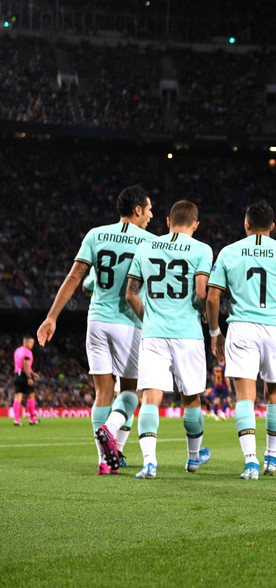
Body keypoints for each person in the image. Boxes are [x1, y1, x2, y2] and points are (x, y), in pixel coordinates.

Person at [37, 185, 154, 474]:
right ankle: (116, 442)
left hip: (97, 321)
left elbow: (77, 275)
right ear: (137, 210)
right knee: (130, 392)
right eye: (149, 209)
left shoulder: (95, 234)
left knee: (103, 392)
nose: (151, 215)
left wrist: (52, 317)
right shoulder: (151, 242)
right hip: (130, 324)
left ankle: (106, 459)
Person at [206, 200, 276, 480]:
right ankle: (272, 457)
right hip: (275, 330)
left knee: (245, 396)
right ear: (272, 227)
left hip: (242, 328)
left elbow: (212, 297)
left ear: (246, 224)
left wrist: (216, 332)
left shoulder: (229, 253)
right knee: (275, 394)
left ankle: (251, 462)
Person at [122, 200, 214, 478]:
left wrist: (148, 319)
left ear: (166, 221)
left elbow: (130, 294)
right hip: (188, 334)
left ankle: (149, 462)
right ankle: (193, 458)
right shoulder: (202, 249)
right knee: (191, 399)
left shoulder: (146, 247)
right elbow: (200, 293)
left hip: (154, 333)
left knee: (151, 398)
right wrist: (207, 316)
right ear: (195, 225)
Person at [12, 335, 39, 426]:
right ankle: (32, 418)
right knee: (31, 396)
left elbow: (20, 365)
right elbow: (26, 364)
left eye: (33, 343)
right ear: (25, 342)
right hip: (25, 376)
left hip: (17, 375)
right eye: (31, 342)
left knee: (18, 397)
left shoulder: (17, 351)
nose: (32, 344)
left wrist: (32, 372)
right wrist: (29, 377)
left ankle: (16, 419)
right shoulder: (27, 352)